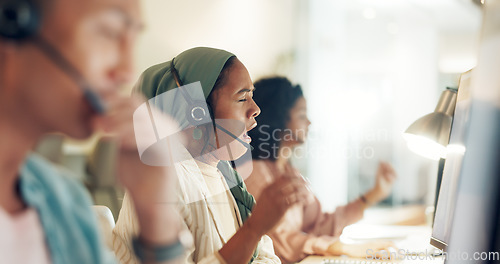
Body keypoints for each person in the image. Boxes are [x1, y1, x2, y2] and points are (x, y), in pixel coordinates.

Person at [0, 0, 185, 263]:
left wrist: (157, 220)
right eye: (108, 32)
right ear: (12, 22)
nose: (127, 72)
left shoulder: (67, 207)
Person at [113, 47, 310, 264]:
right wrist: (254, 229)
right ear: (198, 112)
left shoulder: (228, 178)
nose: (256, 109)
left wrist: (256, 231)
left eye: (252, 97)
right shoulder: (161, 180)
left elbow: (267, 258)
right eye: (242, 98)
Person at [244, 77, 398, 263]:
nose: (309, 123)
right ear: (278, 119)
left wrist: (373, 194)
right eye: (302, 115)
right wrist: (342, 248)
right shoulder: (255, 173)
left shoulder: (289, 171)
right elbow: (279, 242)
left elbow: (318, 228)